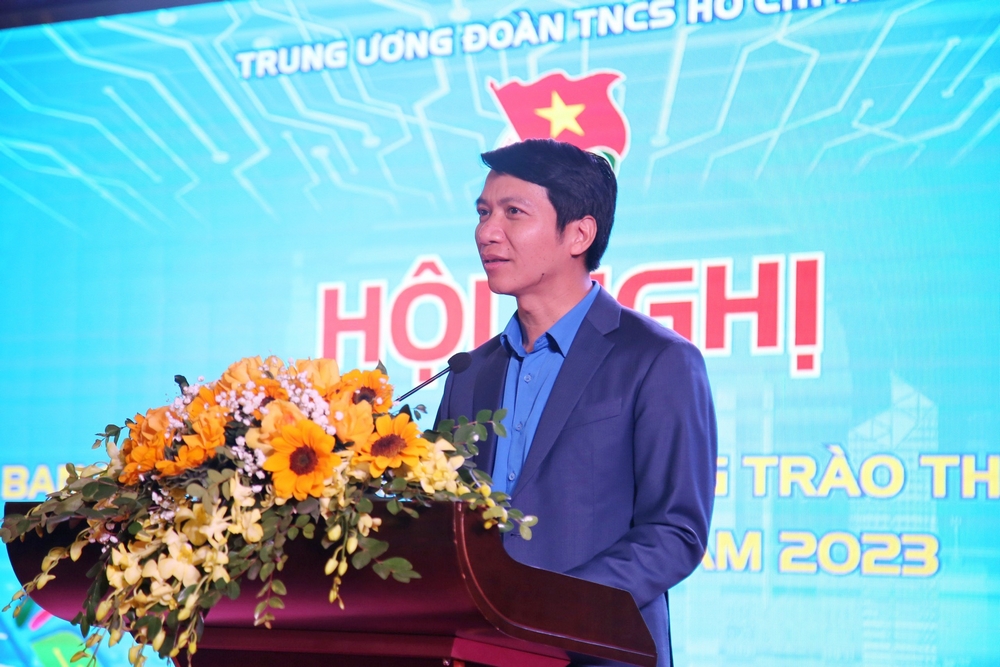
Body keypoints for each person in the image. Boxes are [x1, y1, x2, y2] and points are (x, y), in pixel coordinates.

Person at [435, 139, 716, 667]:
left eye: (513, 213)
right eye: (483, 212)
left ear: (579, 234)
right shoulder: (470, 373)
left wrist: (549, 610)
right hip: (476, 653)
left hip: (596, 652)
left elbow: (674, 532)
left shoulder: (658, 360)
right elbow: (443, 526)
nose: (487, 232)